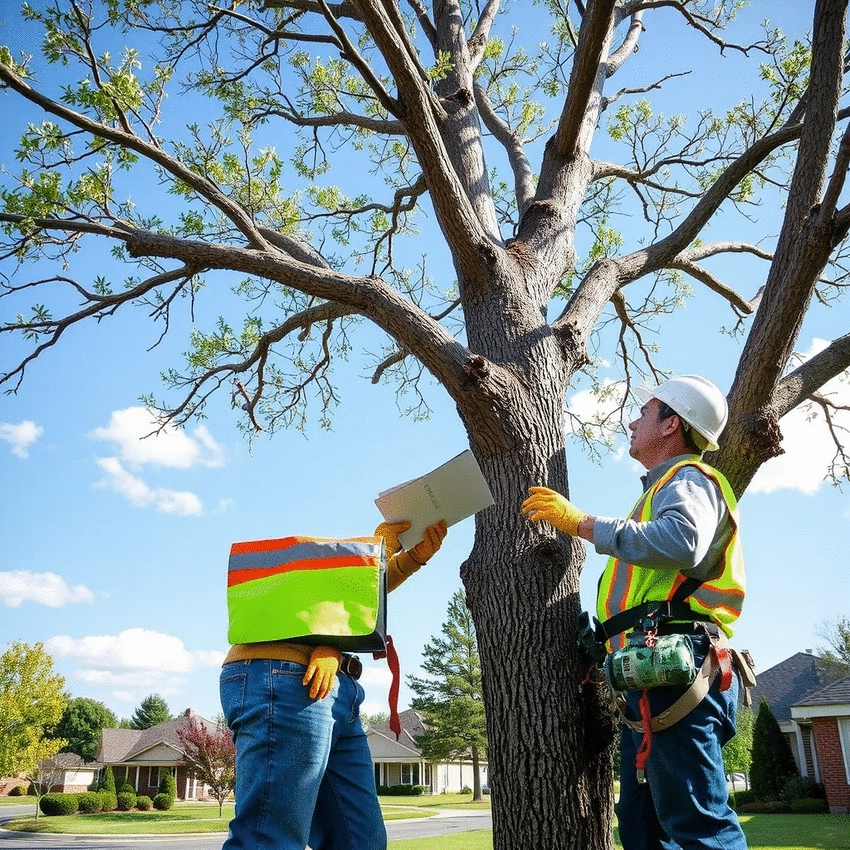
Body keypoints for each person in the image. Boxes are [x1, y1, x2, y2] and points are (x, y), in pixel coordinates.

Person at [522, 374, 748, 850]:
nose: (631, 419)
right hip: (650, 671)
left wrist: (581, 523)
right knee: (643, 827)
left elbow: (681, 542)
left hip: (677, 665)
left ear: (671, 424)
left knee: (697, 824)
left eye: (644, 412)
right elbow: (644, 593)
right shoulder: (659, 490)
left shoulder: (689, 479)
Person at [220, 518, 448, 850]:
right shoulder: (295, 566)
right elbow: (337, 591)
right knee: (268, 841)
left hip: (340, 692)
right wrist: (374, 551)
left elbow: (357, 601)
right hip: (288, 681)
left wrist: (408, 560)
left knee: (360, 842)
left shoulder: (330, 577)